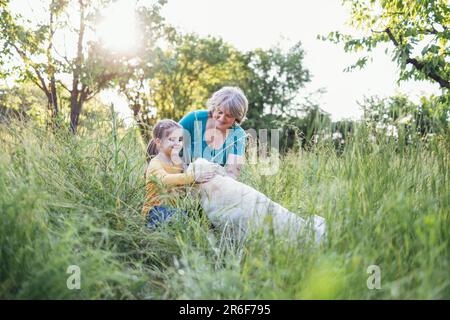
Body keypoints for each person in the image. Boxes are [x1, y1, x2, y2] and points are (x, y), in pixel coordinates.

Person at [142, 119, 216, 228]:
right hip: (154, 211)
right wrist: (192, 177)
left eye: (180, 139)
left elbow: (186, 182)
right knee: (180, 217)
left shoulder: (178, 162)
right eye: (172, 139)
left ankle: (212, 233)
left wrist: (201, 178)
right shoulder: (155, 163)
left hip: (174, 209)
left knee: (205, 215)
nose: (177, 143)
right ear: (158, 142)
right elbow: (165, 179)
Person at [179, 86, 248, 179]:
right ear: (214, 108)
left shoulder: (238, 135)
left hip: (209, 181)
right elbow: (164, 144)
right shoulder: (194, 118)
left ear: (237, 117)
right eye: (220, 112)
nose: (222, 118)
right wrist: (187, 174)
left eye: (229, 115)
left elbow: (232, 173)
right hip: (178, 174)